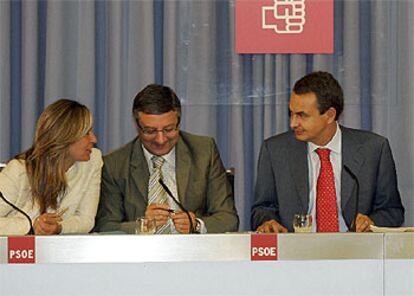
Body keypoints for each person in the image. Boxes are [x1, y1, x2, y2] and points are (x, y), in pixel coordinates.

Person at [251, 71, 404, 233]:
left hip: (356, 252)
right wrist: (268, 222)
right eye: (292, 114)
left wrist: (371, 222)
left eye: (302, 115)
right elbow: (261, 209)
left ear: (330, 115)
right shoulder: (275, 150)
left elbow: (392, 212)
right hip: (296, 253)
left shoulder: (373, 149)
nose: (293, 123)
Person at [95, 84, 239, 234]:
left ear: (178, 123)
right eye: (150, 131)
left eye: (168, 129)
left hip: (194, 252)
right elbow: (106, 227)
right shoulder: (115, 164)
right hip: (139, 255)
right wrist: (143, 225)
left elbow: (228, 218)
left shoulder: (204, 152)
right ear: (137, 127)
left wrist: (195, 225)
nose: (160, 139)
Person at [0, 99, 103, 235]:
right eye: (86, 133)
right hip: (16, 253)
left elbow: (86, 220)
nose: (94, 139)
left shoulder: (93, 161)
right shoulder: (18, 170)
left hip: (61, 251)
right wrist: (31, 226)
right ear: (64, 137)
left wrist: (59, 228)